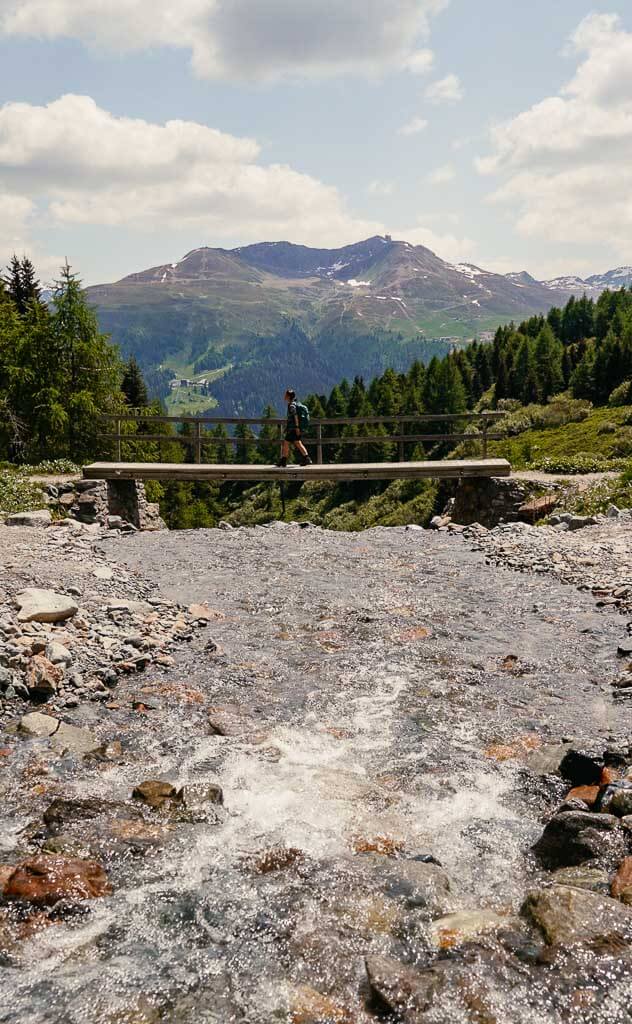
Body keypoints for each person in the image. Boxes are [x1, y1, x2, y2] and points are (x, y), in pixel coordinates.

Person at [277, 389, 312, 467]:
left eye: (286, 395)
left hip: (293, 429)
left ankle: (283, 461)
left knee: (286, 443)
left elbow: (295, 416)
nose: (284, 396)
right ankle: (307, 458)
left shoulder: (292, 405)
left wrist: (296, 427)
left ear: (289, 396)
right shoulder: (294, 403)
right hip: (294, 428)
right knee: (297, 443)